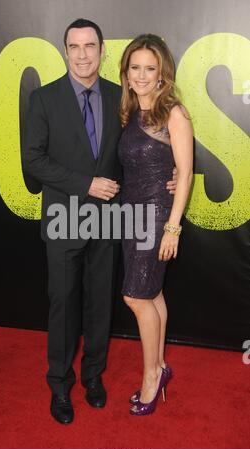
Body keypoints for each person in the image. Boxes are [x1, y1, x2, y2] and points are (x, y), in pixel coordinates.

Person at [22, 19, 177, 425]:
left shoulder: (120, 97)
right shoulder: (43, 99)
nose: (83, 54)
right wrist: (86, 184)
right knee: (62, 306)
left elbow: (143, 148)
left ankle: (93, 377)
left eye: (90, 45)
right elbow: (34, 161)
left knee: (98, 306)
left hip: (109, 220)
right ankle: (60, 385)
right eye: (74, 46)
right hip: (63, 218)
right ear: (65, 50)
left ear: (103, 50)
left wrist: (174, 174)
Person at [118, 34, 193, 416]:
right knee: (153, 294)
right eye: (136, 68)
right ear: (127, 73)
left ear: (162, 73)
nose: (143, 75)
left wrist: (172, 227)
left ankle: (151, 375)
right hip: (131, 216)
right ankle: (161, 366)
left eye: (151, 68)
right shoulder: (131, 112)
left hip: (156, 216)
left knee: (135, 296)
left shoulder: (173, 114)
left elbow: (186, 173)